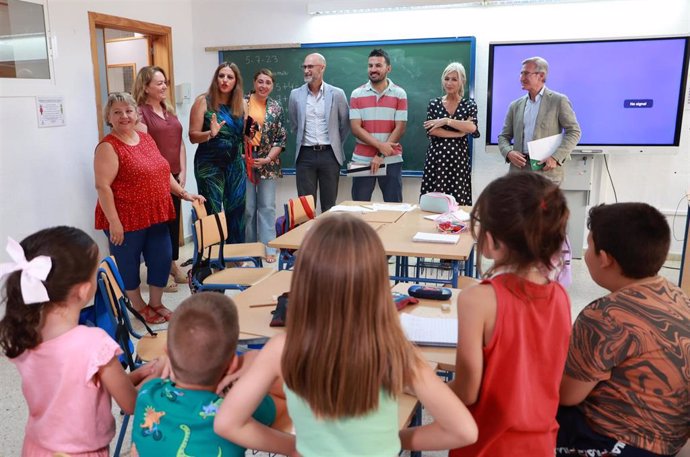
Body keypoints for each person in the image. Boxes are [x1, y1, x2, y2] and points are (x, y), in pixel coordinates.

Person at [214, 214, 478, 456]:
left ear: (304, 282)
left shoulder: (282, 349)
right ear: (376, 284)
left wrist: (295, 447)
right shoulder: (394, 350)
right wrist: (394, 440)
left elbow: (227, 423)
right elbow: (464, 431)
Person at [0, 226, 162, 456]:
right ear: (84, 290)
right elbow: (130, 403)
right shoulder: (94, 343)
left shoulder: (25, 335)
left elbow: (83, 386)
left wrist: (138, 375)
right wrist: (157, 377)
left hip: (36, 448)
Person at [449, 172, 572, 456]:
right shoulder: (561, 297)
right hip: (541, 444)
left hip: (487, 445)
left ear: (491, 241)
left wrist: (420, 387)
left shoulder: (476, 300)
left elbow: (467, 392)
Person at [557, 203, 690, 457]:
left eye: (589, 245)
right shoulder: (678, 296)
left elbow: (567, 396)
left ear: (605, 259)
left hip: (619, 443)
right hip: (670, 440)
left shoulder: (605, 315)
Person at [95, 92, 204, 324]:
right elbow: (103, 187)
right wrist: (114, 222)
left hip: (155, 213)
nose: (124, 116)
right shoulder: (108, 146)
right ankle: (138, 306)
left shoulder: (145, 138)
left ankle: (156, 303)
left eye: (128, 111)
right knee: (128, 263)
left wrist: (184, 194)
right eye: (117, 112)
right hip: (126, 217)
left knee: (162, 257)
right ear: (109, 117)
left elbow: (163, 173)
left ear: (136, 113)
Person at [132, 292, 286, 456]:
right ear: (232, 364)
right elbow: (286, 395)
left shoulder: (148, 391)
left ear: (167, 352)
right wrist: (250, 361)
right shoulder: (234, 411)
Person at [133, 65, 188, 290]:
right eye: (159, 83)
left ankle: (172, 264)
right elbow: (144, 149)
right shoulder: (140, 113)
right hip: (154, 179)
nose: (164, 86)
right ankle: (159, 270)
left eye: (165, 82)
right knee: (159, 228)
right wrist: (165, 174)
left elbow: (180, 142)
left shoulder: (169, 110)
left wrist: (182, 171)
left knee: (173, 224)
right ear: (146, 87)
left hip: (174, 174)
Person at [497, 56, 581, 185]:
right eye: (521, 73)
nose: (521, 78)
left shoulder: (558, 101)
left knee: (543, 206)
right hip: (518, 173)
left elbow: (574, 131)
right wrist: (508, 152)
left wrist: (556, 157)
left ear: (541, 76)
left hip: (546, 173)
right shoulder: (515, 105)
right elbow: (503, 136)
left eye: (526, 73)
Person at [189, 62, 247, 243]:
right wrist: (210, 133)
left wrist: (250, 132)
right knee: (212, 210)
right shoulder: (203, 102)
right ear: (216, 78)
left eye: (230, 77)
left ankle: (235, 256)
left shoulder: (242, 103)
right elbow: (192, 136)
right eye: (221, 76)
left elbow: (244, 134)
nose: (225, 80)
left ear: (236, 81)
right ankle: (211, 257)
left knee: (237, 209)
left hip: (235, 163)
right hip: (209, 164)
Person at [288, 53, 350, 212]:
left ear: (322, 68)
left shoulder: (337, 94)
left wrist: (335, 142)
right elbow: (295, 124)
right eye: (305, 67)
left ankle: (328, 237)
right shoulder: (295, 95)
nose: (306, 70)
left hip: (329, 154)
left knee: (329, 205)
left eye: (310, 67)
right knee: (305, 207)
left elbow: (345, 124)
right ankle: (307, 237)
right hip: (305, 155)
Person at [350, 48, 408, 202]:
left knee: (394, 206)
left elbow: (400, 127)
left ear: (388, 68)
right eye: (370, 66)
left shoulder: (400, 93)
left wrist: (381, 154)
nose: (373, 69)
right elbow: (355, 128)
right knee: (358, 207)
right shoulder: (356, 94)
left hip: (391, 158)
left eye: (378, 65)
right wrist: (381, 147)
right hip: (361, 159)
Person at [420, 62, 480, 205]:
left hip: (458, 161)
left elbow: (471, 127)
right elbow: (432, 130)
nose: (449, 83)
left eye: (454, 79)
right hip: (437, 160)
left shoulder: (469, 104)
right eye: (446, 79)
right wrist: (459, 133)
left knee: (458, 204)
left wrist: (446, 121)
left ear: (462, 82)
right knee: (435, 203)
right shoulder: (434, 103)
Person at [244, 69, 287, 263]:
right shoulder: (242, 103)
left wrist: (268, 158)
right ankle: (250, 247)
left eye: (268, 82)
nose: (263, 86)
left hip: (268, 161)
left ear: (272, 85)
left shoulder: (276, 107)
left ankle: (268, 246)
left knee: (267, 206)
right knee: (248, 207)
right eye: (260, 81)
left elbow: (281, 138)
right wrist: (243, 155)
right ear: (254, 83)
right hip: (244, 159)